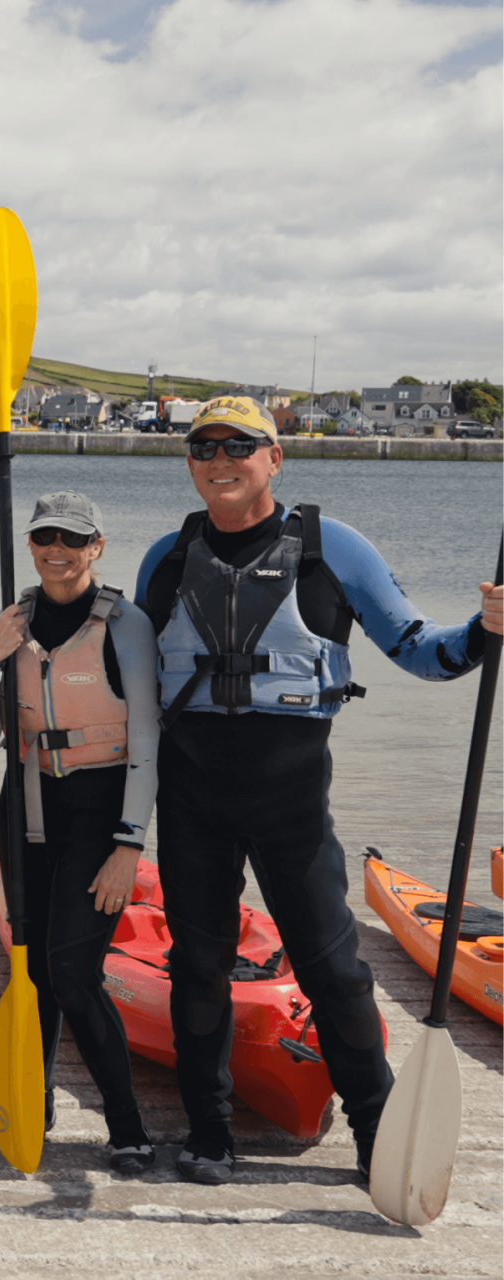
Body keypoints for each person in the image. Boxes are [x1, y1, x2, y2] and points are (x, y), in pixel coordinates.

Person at [134, 395, 504, 1186]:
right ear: (191, 462)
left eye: (241, 445)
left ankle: (377, 1127)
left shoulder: (332, 550)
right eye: (204, 447)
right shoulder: (167, 558)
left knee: (332, 968)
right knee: (198, 966)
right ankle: (208, 1126)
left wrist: (483, 631)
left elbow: (422, 651)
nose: (220, 459)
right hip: (192, 797)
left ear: (275, 458)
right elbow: (122, 676)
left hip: (290, 799)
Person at [0, 491, 160, 1174]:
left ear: (97, 546)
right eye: (44, 535)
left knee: (73, 972)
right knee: (33, 970)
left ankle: (127, 1126)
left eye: (73, 539)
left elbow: (147, 742)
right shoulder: (7, 621)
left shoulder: (125, 626)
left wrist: (129, 845)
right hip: (24, 803)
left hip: (100, 809)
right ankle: (32, 1105)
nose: (56, 550)